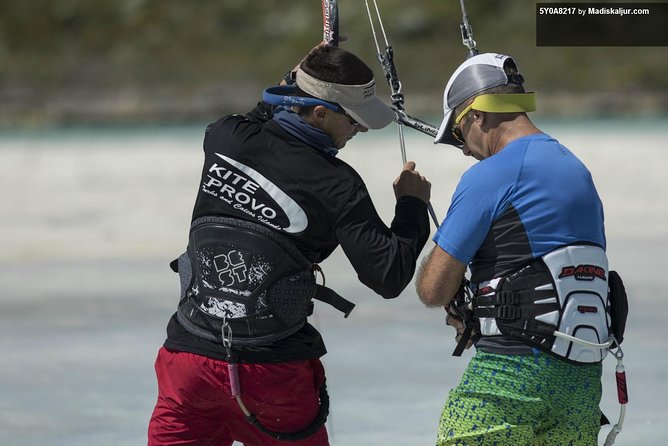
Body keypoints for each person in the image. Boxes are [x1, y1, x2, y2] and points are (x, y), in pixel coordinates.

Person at [147, 43, 431, 446]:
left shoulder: (225, 136)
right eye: (354, 119)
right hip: (272, 376)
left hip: (187, 362)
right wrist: (411, 207)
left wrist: (294, 77)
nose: (361, 129)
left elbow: (263, 112)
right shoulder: (338, 185)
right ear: (320, 112)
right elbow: (388, 277)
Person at [416, 53, 615, 445]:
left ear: (478, 116)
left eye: (458, 134)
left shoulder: (490, 175)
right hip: (583, 384)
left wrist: (411, 202)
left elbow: (432, 289)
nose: (464, 150)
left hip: (509, 376)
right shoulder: (577, 170)